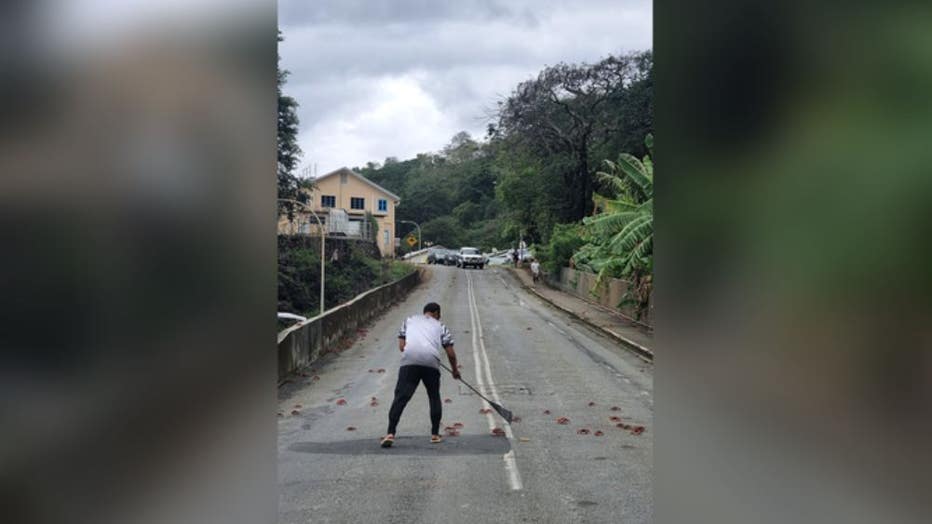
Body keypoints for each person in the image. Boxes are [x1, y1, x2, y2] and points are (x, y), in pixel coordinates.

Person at [381, 302, 460, 448]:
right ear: (436, 313)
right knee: (433, 396)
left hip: (410, 361)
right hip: (431, 362)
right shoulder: (440, 326)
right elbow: (450, 353)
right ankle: (435, 434)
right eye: (439, 314)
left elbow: (401, 347)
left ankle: (390, 433)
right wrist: (455, 370)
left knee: (401, 397)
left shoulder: (409, 321)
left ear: (424, 312)